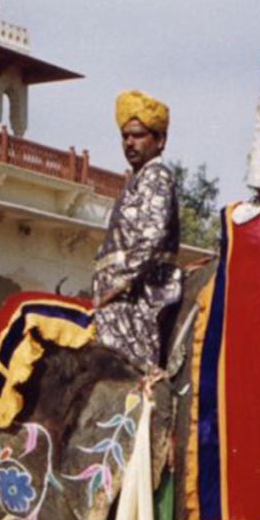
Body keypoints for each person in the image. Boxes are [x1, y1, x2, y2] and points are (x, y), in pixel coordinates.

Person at [93, 90, 182, 370]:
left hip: (137, 298)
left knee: (126, 378)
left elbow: (151, 237)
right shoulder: (137, 179)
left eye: (139, 135)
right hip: (119, 298)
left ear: (160, 140)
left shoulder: (157, 175)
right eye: (125, 136)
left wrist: (119, 284)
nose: (130, 143)